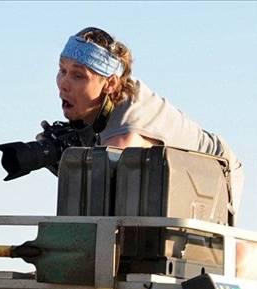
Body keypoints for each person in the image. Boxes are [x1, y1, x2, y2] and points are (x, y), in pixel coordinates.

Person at [52, 26, 244, 217]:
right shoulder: (115, 88)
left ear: (110, 84)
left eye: (78, 76)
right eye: (62, 70)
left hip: (218, 167)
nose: (63, 83)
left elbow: (99, 204)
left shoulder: (125, 136)